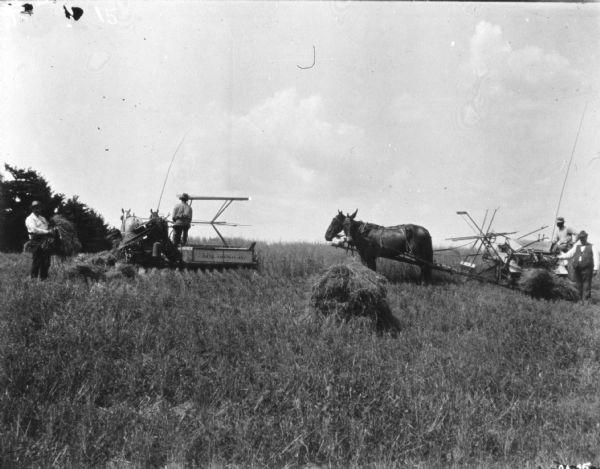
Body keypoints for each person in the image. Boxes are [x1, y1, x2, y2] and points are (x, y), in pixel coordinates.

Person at [558, 231, 599, 305]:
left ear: (586, 237)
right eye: (581, 238)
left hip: (587, 269)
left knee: (586, 284)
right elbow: (569, 254)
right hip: (577, 268)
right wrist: (559, 257)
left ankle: (586, 301)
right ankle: (579, 300)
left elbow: (596, 258)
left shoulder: (592, 246)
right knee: (578, 284)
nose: (582, 239)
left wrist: (596, 268)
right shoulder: (577, 247)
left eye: (583, 238)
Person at [25, 200, 54, 280]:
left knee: (46, 261)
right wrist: (47, 232)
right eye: (35, 208)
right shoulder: (30, 219)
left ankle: (43, 278)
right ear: (32, 209)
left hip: (45, 240)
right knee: (37, 260)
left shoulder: (43, 218)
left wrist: (52, 229)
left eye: (39, 208)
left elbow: (47, 226)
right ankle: (33, 279)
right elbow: (34, 229)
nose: (38, 210)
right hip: (35, 240)